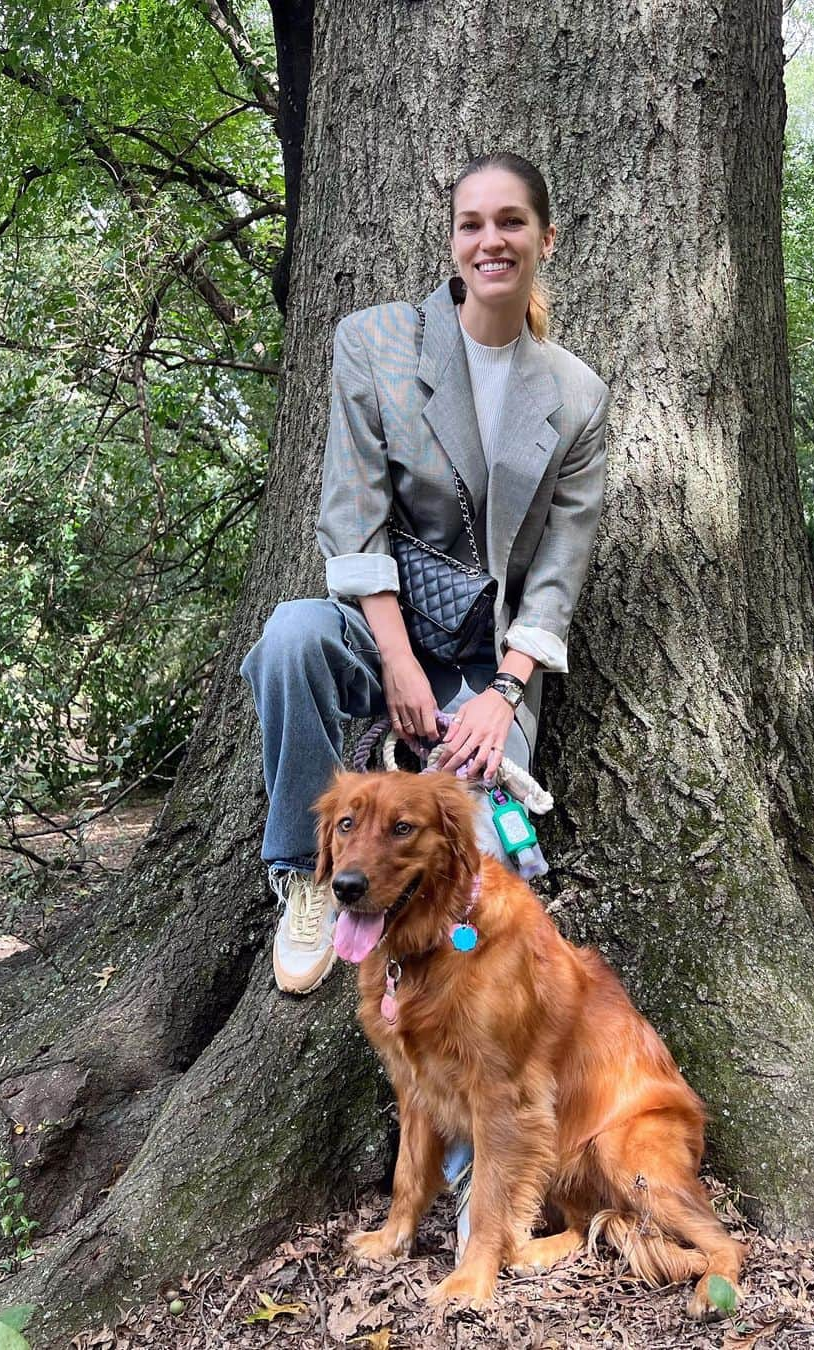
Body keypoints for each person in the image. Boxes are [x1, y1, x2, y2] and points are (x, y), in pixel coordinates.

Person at [240, 151, 610, 997]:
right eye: (471, 224)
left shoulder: (577, 396)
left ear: (545, 239)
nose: (491, 241)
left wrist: (504, 692)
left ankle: (432, 985)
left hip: (485, 661)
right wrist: (397, 660)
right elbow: (353, 509)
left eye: (510, 222)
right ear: (451, 241)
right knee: (291, 639)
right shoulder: (375, 343)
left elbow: (561, 563)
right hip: (382, 630)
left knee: (463, 828)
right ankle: (304, 876)